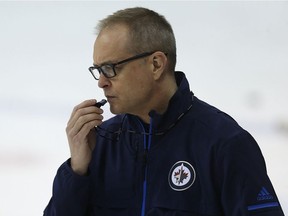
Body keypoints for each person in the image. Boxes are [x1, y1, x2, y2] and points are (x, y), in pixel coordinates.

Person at [44, 7, 284, 216]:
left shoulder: (224, 144)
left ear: (156, 64)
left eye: (110, 68)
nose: (101, 82)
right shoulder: (100, 145)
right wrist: (77, 170)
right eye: (98, 70)